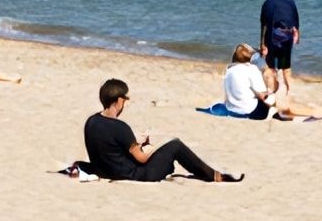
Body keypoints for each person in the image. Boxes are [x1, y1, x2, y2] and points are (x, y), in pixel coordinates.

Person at [80, 78, 242, 183]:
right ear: (118, 101)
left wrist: (137, 144)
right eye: (125, 99)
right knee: (175, 145)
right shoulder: (120, 127)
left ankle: (210, 174)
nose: (126, 103)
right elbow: (142, 159)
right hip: (135, 175)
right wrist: (152, 147)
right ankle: (214, 176)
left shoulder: (91, 121)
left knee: (167, 151)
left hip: (106, 171)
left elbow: (111, 150)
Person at [219, 44, 322, 121]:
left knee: (279, 97)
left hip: (232, 108)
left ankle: (314, 112)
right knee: (285, 106)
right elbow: (264, 96)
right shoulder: (252, 71)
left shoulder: (229, 71)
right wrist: (273, 98)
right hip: (252, 112)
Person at [258, 0, 300, 94]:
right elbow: (296, 22)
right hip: (286, 38)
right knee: (286, 67)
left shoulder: (267, 3)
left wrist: (262, 45)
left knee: (271, 68)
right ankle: (289, 91)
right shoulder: (290, 1)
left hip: (272, 38)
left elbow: (263, 26)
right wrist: (297, 37)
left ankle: (272, 92)